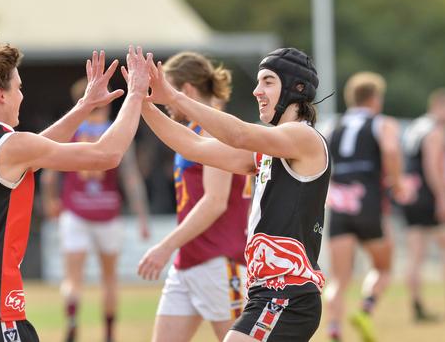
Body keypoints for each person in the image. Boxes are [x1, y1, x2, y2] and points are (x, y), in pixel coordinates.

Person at [0, 39, 150, 342]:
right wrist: (136, 95)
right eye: (18, 88)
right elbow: (107, 155)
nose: (22, 95)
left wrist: (84, 106)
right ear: (1, 95)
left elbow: (36, 150)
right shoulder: (12, 146)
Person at [139, 47, 330, 342]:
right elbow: (194, 146)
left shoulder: (303, 136)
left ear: (297, 88)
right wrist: (140, 101)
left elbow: (239, 134)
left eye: (268, 81)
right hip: (266, 292)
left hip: (288, 294)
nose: (256, 91)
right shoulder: (267, 151)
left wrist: (175, 96)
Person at [136, 52, 250, 342]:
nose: (164, 100)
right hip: (189, 261)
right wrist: (141, 101)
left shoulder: (216, 130)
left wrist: (165, 246)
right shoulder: (194, 130)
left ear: (185, 90)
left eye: (166, 89)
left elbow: (215, 201)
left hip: (219, 262)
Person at [40, 77, 150, 342]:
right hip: (108, 213)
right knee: (110, 278)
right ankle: (110, 333)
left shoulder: (71, 131)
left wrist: (50, 202)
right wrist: (142, 216)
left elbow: (48, 176)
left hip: (75, 211)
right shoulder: (116, 132)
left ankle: (72, 318)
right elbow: (131, 177)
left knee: (73, 278)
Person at [325, 72, 409, 342]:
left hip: (339, 204)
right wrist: (396, 184)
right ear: (375, 98)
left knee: (339, 278)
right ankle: (366, 308)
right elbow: (392, 150)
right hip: (368, 202)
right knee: (383, 268)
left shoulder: (333, 125)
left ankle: (334, 329)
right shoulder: (381, 123)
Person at [402, 88, 445, 321]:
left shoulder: (416, 127)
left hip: (411, 196)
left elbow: (416, 165)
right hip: (429, 196)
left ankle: (416, 306)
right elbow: (432, 166)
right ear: (439, 106)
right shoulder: (437, 131)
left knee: (416, 253)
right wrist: (443, 195)